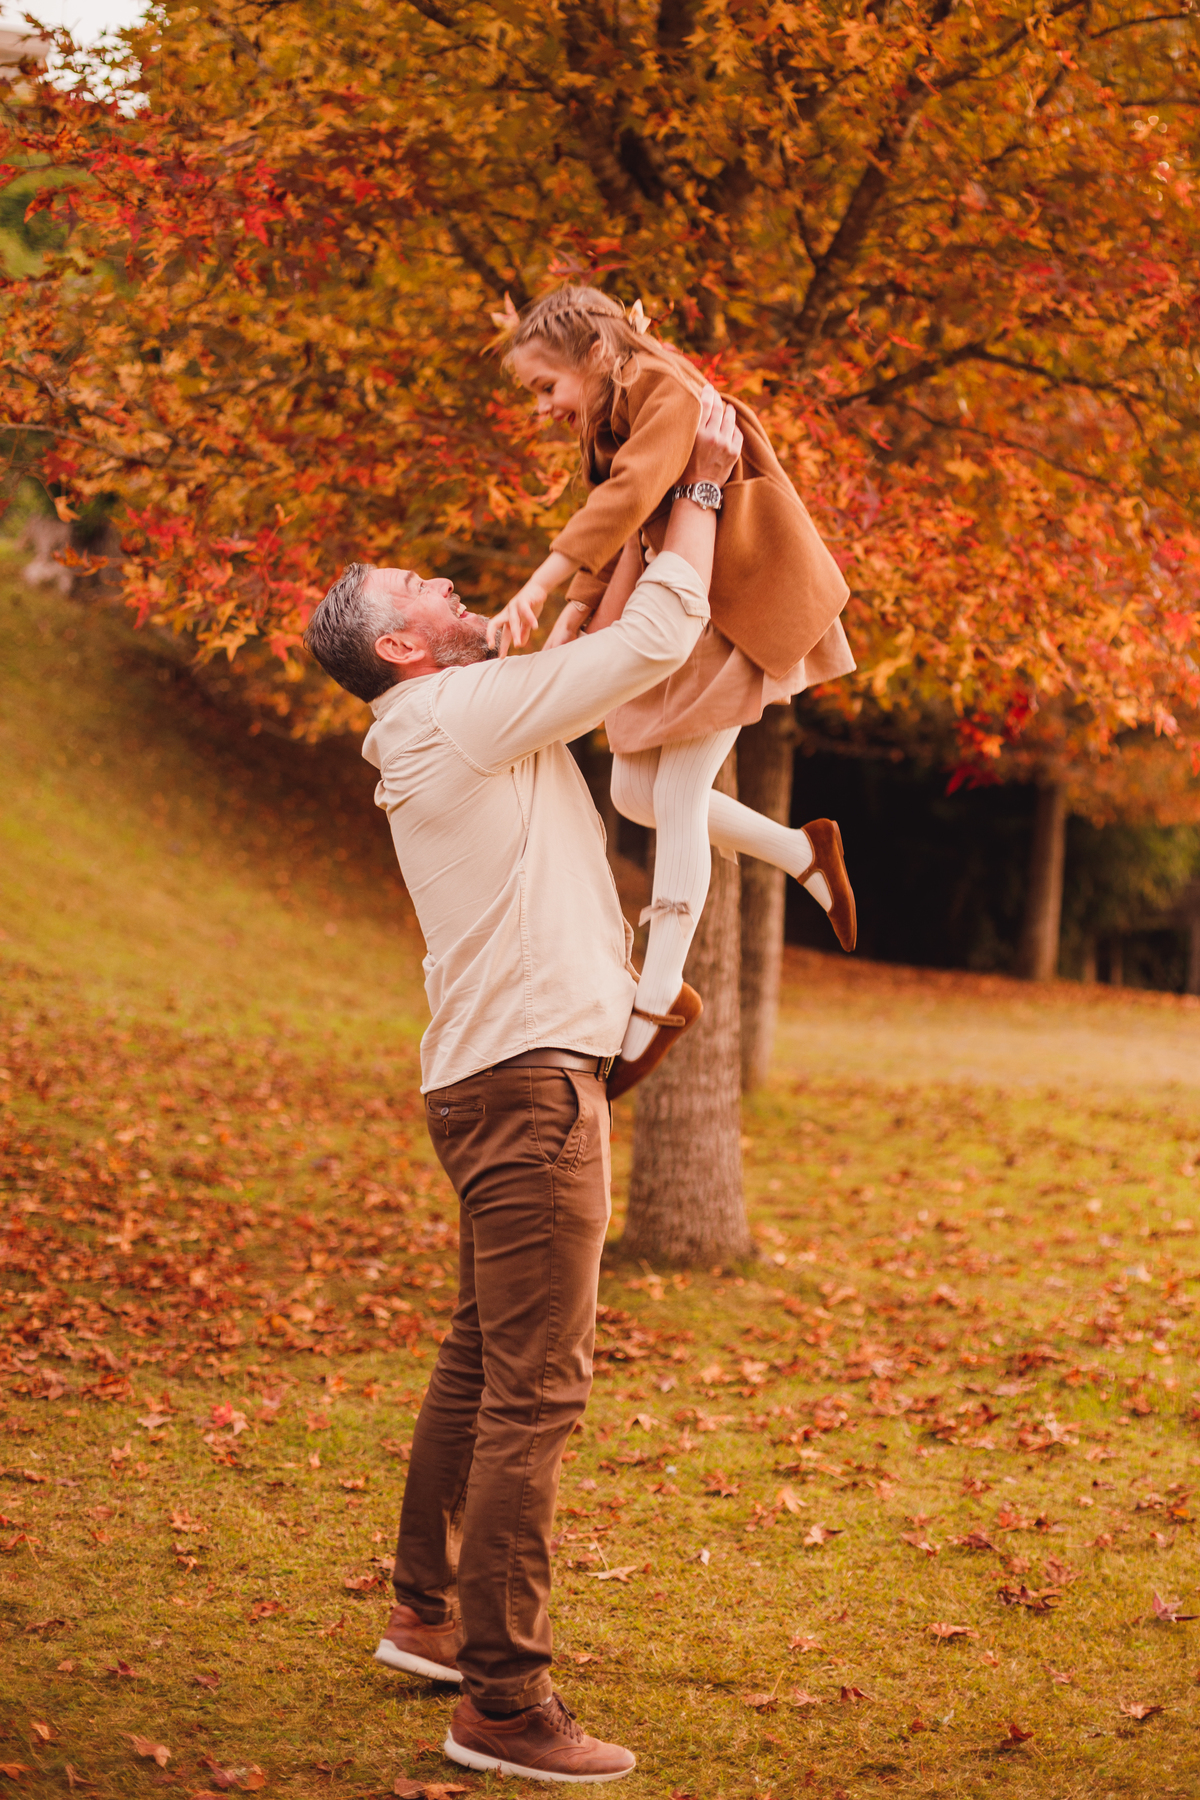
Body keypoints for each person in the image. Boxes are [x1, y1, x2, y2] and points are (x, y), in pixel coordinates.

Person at [302, 391, 743, 1784]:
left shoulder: (445, 721)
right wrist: (708, 488)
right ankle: (503, 1700)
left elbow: (540, 644)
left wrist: (592, 534)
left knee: (478, 1358)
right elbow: (659, 637)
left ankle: (428, 1616)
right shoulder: (462, 715)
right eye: (431, 589)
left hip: (487, 1086)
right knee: (536, 1393)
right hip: (532, 1094)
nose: (457, 588)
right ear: (400, 646)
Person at [491, 285, 858, 1087]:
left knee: (681, 795)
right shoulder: (619, 402)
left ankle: (658, 999)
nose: (543, 408)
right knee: (632, 792)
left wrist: (541, 583)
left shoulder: (660, 385)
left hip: (732, 602)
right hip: (689, 603)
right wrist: (576, 614)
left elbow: (630, 497)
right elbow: (621, 514)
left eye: (543, 387)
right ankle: (802, 852)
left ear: (591, 354)